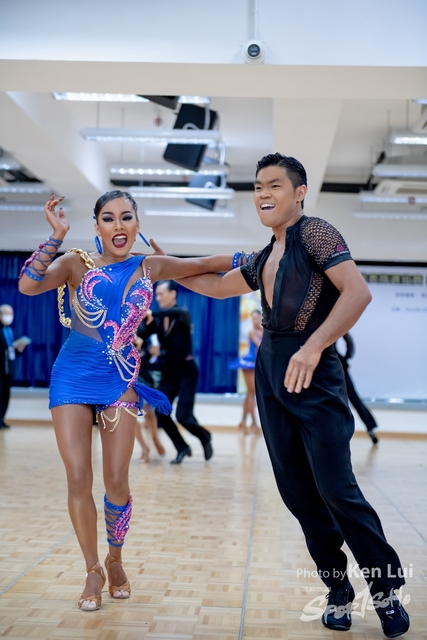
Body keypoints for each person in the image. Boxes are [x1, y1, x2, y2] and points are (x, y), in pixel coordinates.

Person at [172, 154, 410, 638]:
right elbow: (215, 287)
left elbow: (357, 293)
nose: (264, 193)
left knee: (337, 490)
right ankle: (337, 590)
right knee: (298, 493)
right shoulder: (264, 255)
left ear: (299, 192)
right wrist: (167, 269)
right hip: (271, 373)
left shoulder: (316, 233)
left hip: (315, 375)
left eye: (275, 185)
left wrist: (314, 346)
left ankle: (386, 590)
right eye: (258, 186)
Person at [18, 190, 232, 612]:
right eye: (109, 218)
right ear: (97, 226)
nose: (118, 225)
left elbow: (205, 264)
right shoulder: (76, 263)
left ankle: (115, 559)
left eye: (126, 217)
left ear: (137, 223)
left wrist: (261, 255)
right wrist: (56, 235)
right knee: (78, 476)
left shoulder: (149, 265)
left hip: (119, 379)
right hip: (71, 378)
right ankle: (92, 569)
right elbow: (27, 285)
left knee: (116, 480)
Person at [137, 281, 213, 464]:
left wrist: (151, 313)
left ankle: (205, 437)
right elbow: (143, 333)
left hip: (187, 372)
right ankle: (182, 448)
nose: (158, 298)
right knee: (161, 412)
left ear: (173, 294)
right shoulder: (157, 320)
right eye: (156, 295)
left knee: (183, 416)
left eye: (161, 294)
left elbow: (175, 313)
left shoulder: (182, 314)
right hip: (168, 372)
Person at [337, 332, 379, 444]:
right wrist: (346, 358)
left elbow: (348, 341)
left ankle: (370, 428)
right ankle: (370, 429)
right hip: (337, 363)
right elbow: (349, 341)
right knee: (354, 398)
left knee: (350, 398)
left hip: (331, 365)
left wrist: (346, 358)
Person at [229, 309, 263, 434]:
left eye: (257, 318)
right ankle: (254, 424)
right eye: (253, 319)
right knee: (252, 393)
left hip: (257, 363)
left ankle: (243, 422)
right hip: (248, 363)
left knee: (250, 393)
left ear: (261, 318)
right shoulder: (251, 331)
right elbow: (260, 345)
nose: (255, 321)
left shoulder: (263, 331)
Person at [133, 334, 166, 462]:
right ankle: (144, 447)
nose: (156, 349)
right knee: (132, 416)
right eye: (154, 347)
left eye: (157, 347)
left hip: (147, 387)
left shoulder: (161, 358)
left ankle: (155, 439)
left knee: (149, 413)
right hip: (132, 384)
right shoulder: (141, 353)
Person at [0, 304, 29, 428]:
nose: (9, 316)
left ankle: (2, 419)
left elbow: (11, 351)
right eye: (6, 314)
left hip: (8, 369)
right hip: (1, 369)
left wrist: (19, 350)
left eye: (10, 314)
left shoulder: (10, 331)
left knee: (5, 395)